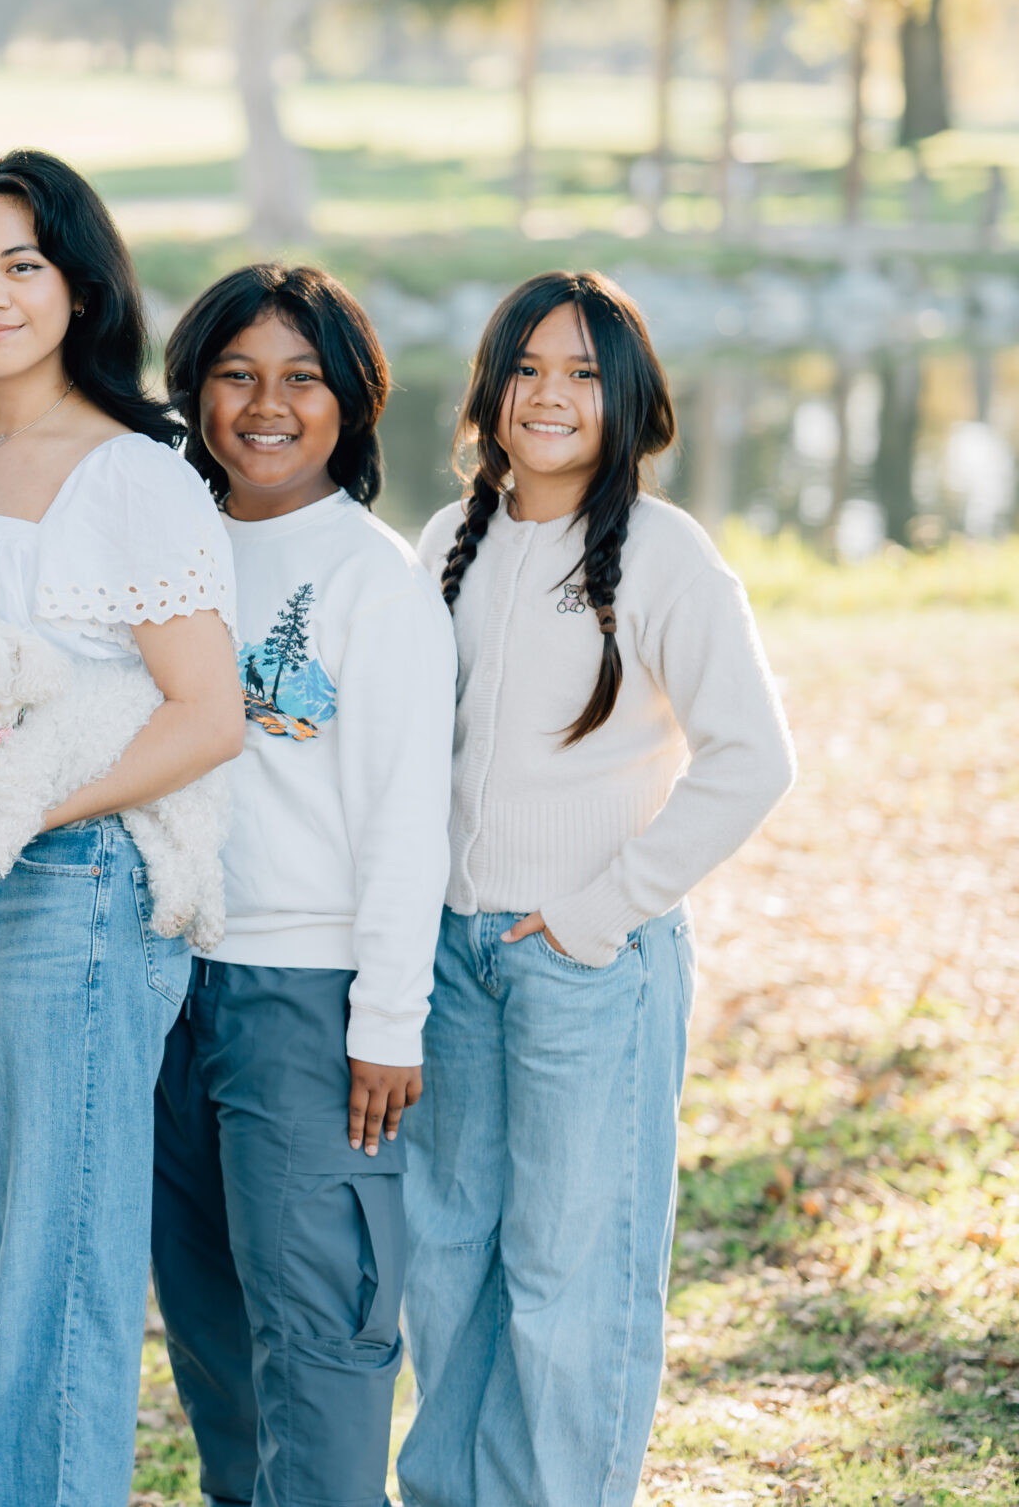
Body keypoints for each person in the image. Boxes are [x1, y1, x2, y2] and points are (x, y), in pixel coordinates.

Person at [402, 271, 795, 1507]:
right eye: (526, 368)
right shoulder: (445, 542)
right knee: (448, 1253)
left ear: (625, 396)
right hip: (453, 960)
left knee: (569, 1273)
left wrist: (600, 908)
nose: (551, 395)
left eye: (581, 371)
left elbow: (753, 758)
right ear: (490, 388)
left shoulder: (666, 554)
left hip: (587, 962)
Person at [0, 150, 245, 1507]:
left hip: (86, 886)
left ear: (81, 284)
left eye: (22, 265)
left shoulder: (133, 472)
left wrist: (20, 803)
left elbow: (207, 712)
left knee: (62, 1267)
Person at [152, 262, 456, 1506]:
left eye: (301, 378)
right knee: (215, 1342)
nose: (265, 404)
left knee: (321, 1337)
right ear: (195, 391)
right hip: (166, 979)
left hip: (305, 1001)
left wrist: (386, 1019)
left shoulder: (369, 577)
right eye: (236, 374)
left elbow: (405, 818)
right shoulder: (162, 544)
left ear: (353, 401)